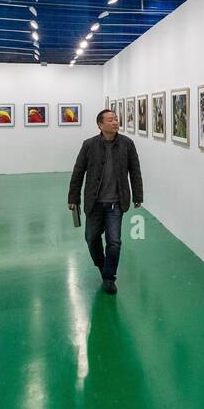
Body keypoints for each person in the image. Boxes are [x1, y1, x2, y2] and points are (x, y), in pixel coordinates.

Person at [68, 109, 142, 295]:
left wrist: (138, 195)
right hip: (94, 203)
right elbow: (78, 173)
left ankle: (109, 278)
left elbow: (135, 171)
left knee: (114, 241)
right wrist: (73, 198)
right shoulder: (89, 145)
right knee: (91, 238)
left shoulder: (127, 144)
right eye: (110, 120)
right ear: (100, 125)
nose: (115, 122)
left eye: (116, 119)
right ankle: (102, 265)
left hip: (116, 203)